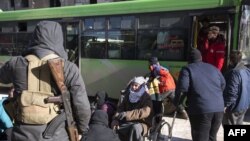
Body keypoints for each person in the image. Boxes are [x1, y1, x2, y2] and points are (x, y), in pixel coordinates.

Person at [0, 21, 91, 141]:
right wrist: (81, 130)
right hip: (58, 136)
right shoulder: (69, 68)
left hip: (21, 135)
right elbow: (82, 106)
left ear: (35, 37)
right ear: (59, 39)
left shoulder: (15, 63)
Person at [175, 48, 225, 141]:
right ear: (201, 57)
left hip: (201, 109)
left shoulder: (187, 69)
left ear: (188, 60)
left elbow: (182, 89)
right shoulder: (213, 68)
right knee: (212, 137)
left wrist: (177, 103)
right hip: (219, 109)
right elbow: (223, 84)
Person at [111, 76, 153, 141]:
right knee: (115, 126)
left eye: (136, 85)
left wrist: (127, 114)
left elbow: (145, 112)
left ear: (141, 86)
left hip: (141, 123)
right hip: (128, 121)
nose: (133, 87)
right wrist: (115, 119)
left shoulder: (146, 97)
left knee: (135, 128)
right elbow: (120, 108)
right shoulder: (128, 95)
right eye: (132, 85)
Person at [223, 50, 250, 125]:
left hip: (234, 107)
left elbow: (232, 92)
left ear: (231, 60)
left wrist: (225, 105)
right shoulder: (247, 70)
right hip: (244, 105)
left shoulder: (234, 73)